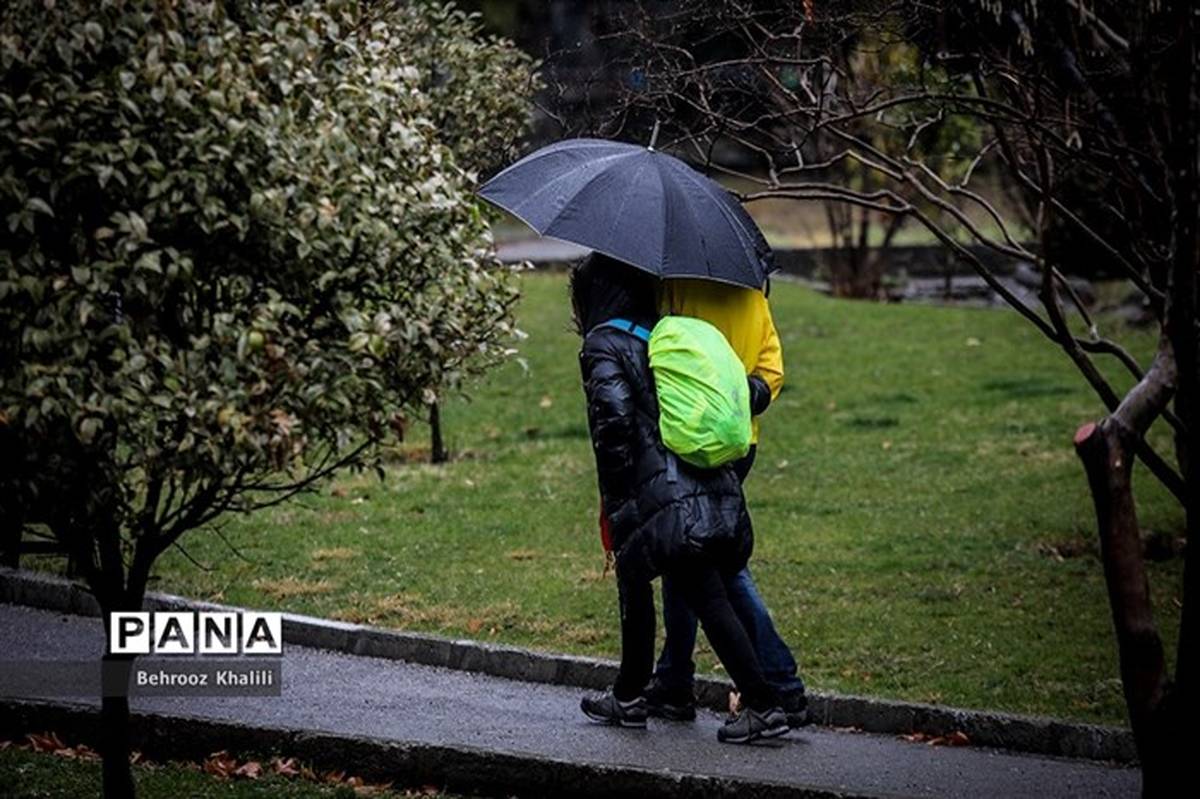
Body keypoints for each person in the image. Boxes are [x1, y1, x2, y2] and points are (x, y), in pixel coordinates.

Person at [572, 253, 788, 744]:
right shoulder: (662, 330)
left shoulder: (604, 343)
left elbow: (614, 420)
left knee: (707, 595)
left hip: (652, 489)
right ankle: (630, 695)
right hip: (683, 478)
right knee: (636, 581)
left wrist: (616, 492)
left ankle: (764, 701)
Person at [646, 278, 809, 725]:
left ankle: (781, 684)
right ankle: (673, 682)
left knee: (717, 565)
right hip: (740, 441)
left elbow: (654, 354)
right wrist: (740, 396)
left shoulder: (674, 289)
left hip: (689, 439)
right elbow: (771, 374)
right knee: (687, 559)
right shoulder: (751, 293)